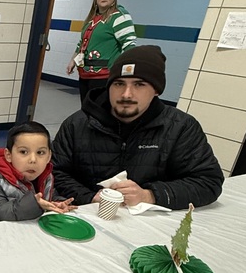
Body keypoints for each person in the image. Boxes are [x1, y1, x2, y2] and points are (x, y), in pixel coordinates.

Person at [52, 45, 224, 209]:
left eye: (139, 84)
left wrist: (149, 195)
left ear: (156, 90)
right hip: (90, 215)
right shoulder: (78, 124)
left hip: (152, 222)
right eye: (119, 83)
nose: (126, 94)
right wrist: (89, 197)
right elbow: (55, 172)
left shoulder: (181, 128)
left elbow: (208, 182)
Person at [0, 121, 76, 223]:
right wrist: (34, 204)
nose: (33, 159)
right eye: (23, 152)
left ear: (49, 156)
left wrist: (56, 203)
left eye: (40, 152)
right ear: (8, 155)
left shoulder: (47, 176)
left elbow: (49, 197)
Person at [66, 0, 137, 102]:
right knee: (86, 110)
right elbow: (81, 43)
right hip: (85, 74)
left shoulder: (119, 16)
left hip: (104, 76)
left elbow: (129, 44)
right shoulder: (91, 18)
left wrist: (126, 73)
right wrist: (73, 60)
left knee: (99, 113)